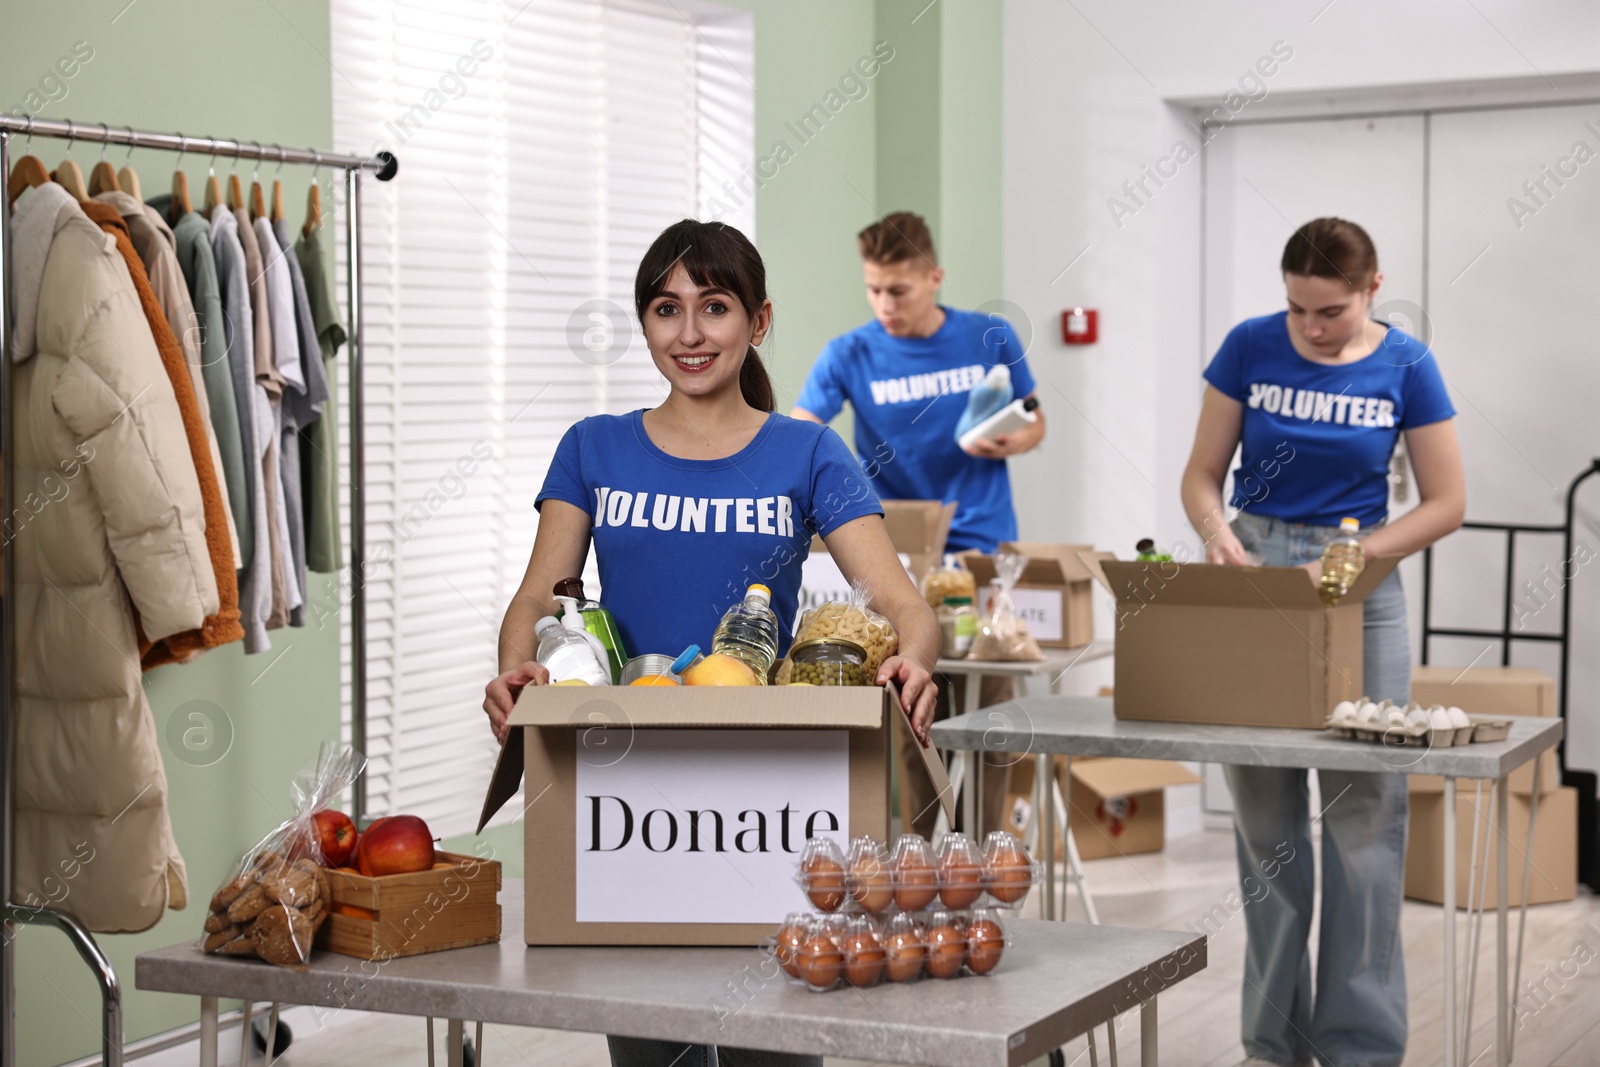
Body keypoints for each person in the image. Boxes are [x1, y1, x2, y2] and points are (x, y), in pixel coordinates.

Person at [483, 218, 940, 1067]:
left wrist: (914, 656)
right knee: (650, 1035)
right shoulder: (595, 447)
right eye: (666, 309)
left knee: (780, 1028)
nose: (688, 333)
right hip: (629, 787)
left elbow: (904, 605)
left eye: (714, 307)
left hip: (776, 786)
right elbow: (537, 598)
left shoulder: (807, 453)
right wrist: (518, 667)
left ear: (757, 321)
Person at [1180, 217, 1465, 1067]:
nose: (1311, 327)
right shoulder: (1247, 348)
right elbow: (1201, 475)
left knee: (1364, 826)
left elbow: (1445, 501)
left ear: (1373, 290)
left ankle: (1361, 1049)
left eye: (1331, 311)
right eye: (1298, 308)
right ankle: (1273, 1043)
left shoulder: (1407, 364)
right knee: (1266, 826)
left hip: (1363, 584)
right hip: (1257, 572)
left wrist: (1357, 555)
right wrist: (1215, 533)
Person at [791, 210, 1045, 836]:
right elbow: (798, 434)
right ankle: (920, 856)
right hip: (899, 552)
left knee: (990, 710)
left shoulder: (990, 336)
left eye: (898, 289)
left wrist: (1011, 440)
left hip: (983, 547)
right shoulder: (849, 353)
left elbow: (1033, 417)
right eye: (873, 288)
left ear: (933, 277)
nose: (884, 303)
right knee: (910, 704)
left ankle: (984, 858)